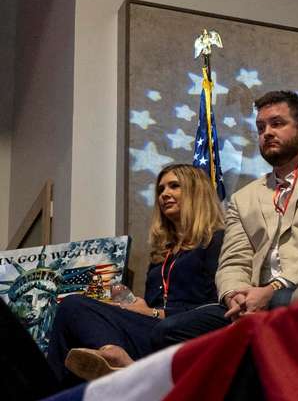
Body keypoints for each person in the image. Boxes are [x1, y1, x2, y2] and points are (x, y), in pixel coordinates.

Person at [46, 164, 229, 383]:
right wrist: (131, 304)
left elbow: (216, 306)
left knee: (80, 313)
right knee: (73, 306)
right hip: (151, 330)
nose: (165, 195)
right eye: (161, 190)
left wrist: (152, 313)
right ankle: (54, 394)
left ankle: (117, 360)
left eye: (174, 186)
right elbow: (151, 305)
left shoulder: (216, 241)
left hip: (182, 332)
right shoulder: (162, 255)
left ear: (196, 192)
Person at [216, 91, 298, 318]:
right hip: (252, 294)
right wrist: (235, 296)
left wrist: (274, 287)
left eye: (277, 124)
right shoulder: (243, 198)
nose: (267, 133)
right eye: (261, 128)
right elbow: (233, 260)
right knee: (173, 328)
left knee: (280, 301)